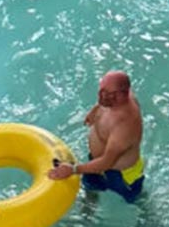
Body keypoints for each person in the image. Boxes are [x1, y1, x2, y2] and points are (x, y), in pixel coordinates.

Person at [49, 70, 145, 201]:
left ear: (120, 95)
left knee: (135, 201)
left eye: (106, 94)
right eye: (101, 91)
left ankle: (147, 218)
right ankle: (88, 208)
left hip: (120, 175)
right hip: (95, 163)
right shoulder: (116, 98)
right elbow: (110, 95)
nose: (100, 96)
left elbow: (106, 162)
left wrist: (73, 169)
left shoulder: (125, 125)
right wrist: (96, 109)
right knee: (90, 188)